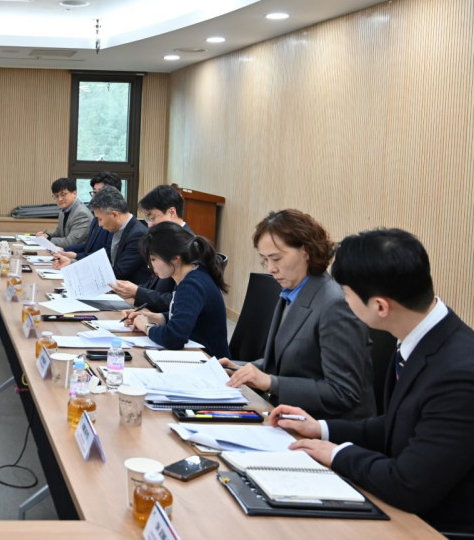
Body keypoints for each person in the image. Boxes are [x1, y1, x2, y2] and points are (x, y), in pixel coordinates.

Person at [269, 228, 474, 536]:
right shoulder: (421, 337)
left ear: (380, 306)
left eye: (346, 294)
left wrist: (336, 454)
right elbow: (398, 424)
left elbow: (409, 484)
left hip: (431, 526)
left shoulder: (459, 374)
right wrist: (322, 429)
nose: (342, 301)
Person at [221, 210, 374, 420]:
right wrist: (238, 368)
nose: (271, 268)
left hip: (325, 426)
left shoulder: (335, 304)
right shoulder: (292, 292)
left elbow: (343, 392)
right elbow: (285, 363)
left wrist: (271, 383)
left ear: (306, 251)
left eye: (276, 258)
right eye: (265, 260)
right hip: (289, 415)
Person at [123, 222, 229, 359]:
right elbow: (184, 316)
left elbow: (174, 338)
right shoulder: (191, 273)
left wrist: (146, 327)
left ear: (175, 259)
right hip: (196, 355)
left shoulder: (191, 285)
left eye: (153, 259)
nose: (151, 266)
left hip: (209, 361)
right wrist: (154, 317)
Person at [109, 184, 190, 309]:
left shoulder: (188, 245)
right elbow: (153, 285)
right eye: (147, 220)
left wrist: (137, 292)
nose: (150, 225)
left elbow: (177, 300)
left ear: (172, 212)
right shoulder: (167, 239)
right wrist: (126, 289)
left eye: (152, 218)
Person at [77, 186, 151, 284]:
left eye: (100, 219)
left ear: (114, 214)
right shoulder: (117, 228)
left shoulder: (138, 235)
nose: (99, 224)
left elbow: (119, 272)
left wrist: (80, 273)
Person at [51, 172, 118, 268]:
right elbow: (88, 246)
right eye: (94, 192)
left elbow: (106, 255)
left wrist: (75, 257)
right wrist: (66, 251)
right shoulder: (96, 218)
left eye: (100, 192)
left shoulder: (115, 221)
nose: (95, 196)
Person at [34, 177, 91, 248]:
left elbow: (71, 242)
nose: (60, 199)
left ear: (74, 193)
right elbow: (59, 233)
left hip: (78, 253)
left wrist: (48, 239)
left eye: (63, 195)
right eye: (56, 196)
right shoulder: (63, 212)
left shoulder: (82, 214)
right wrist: (46, 235)